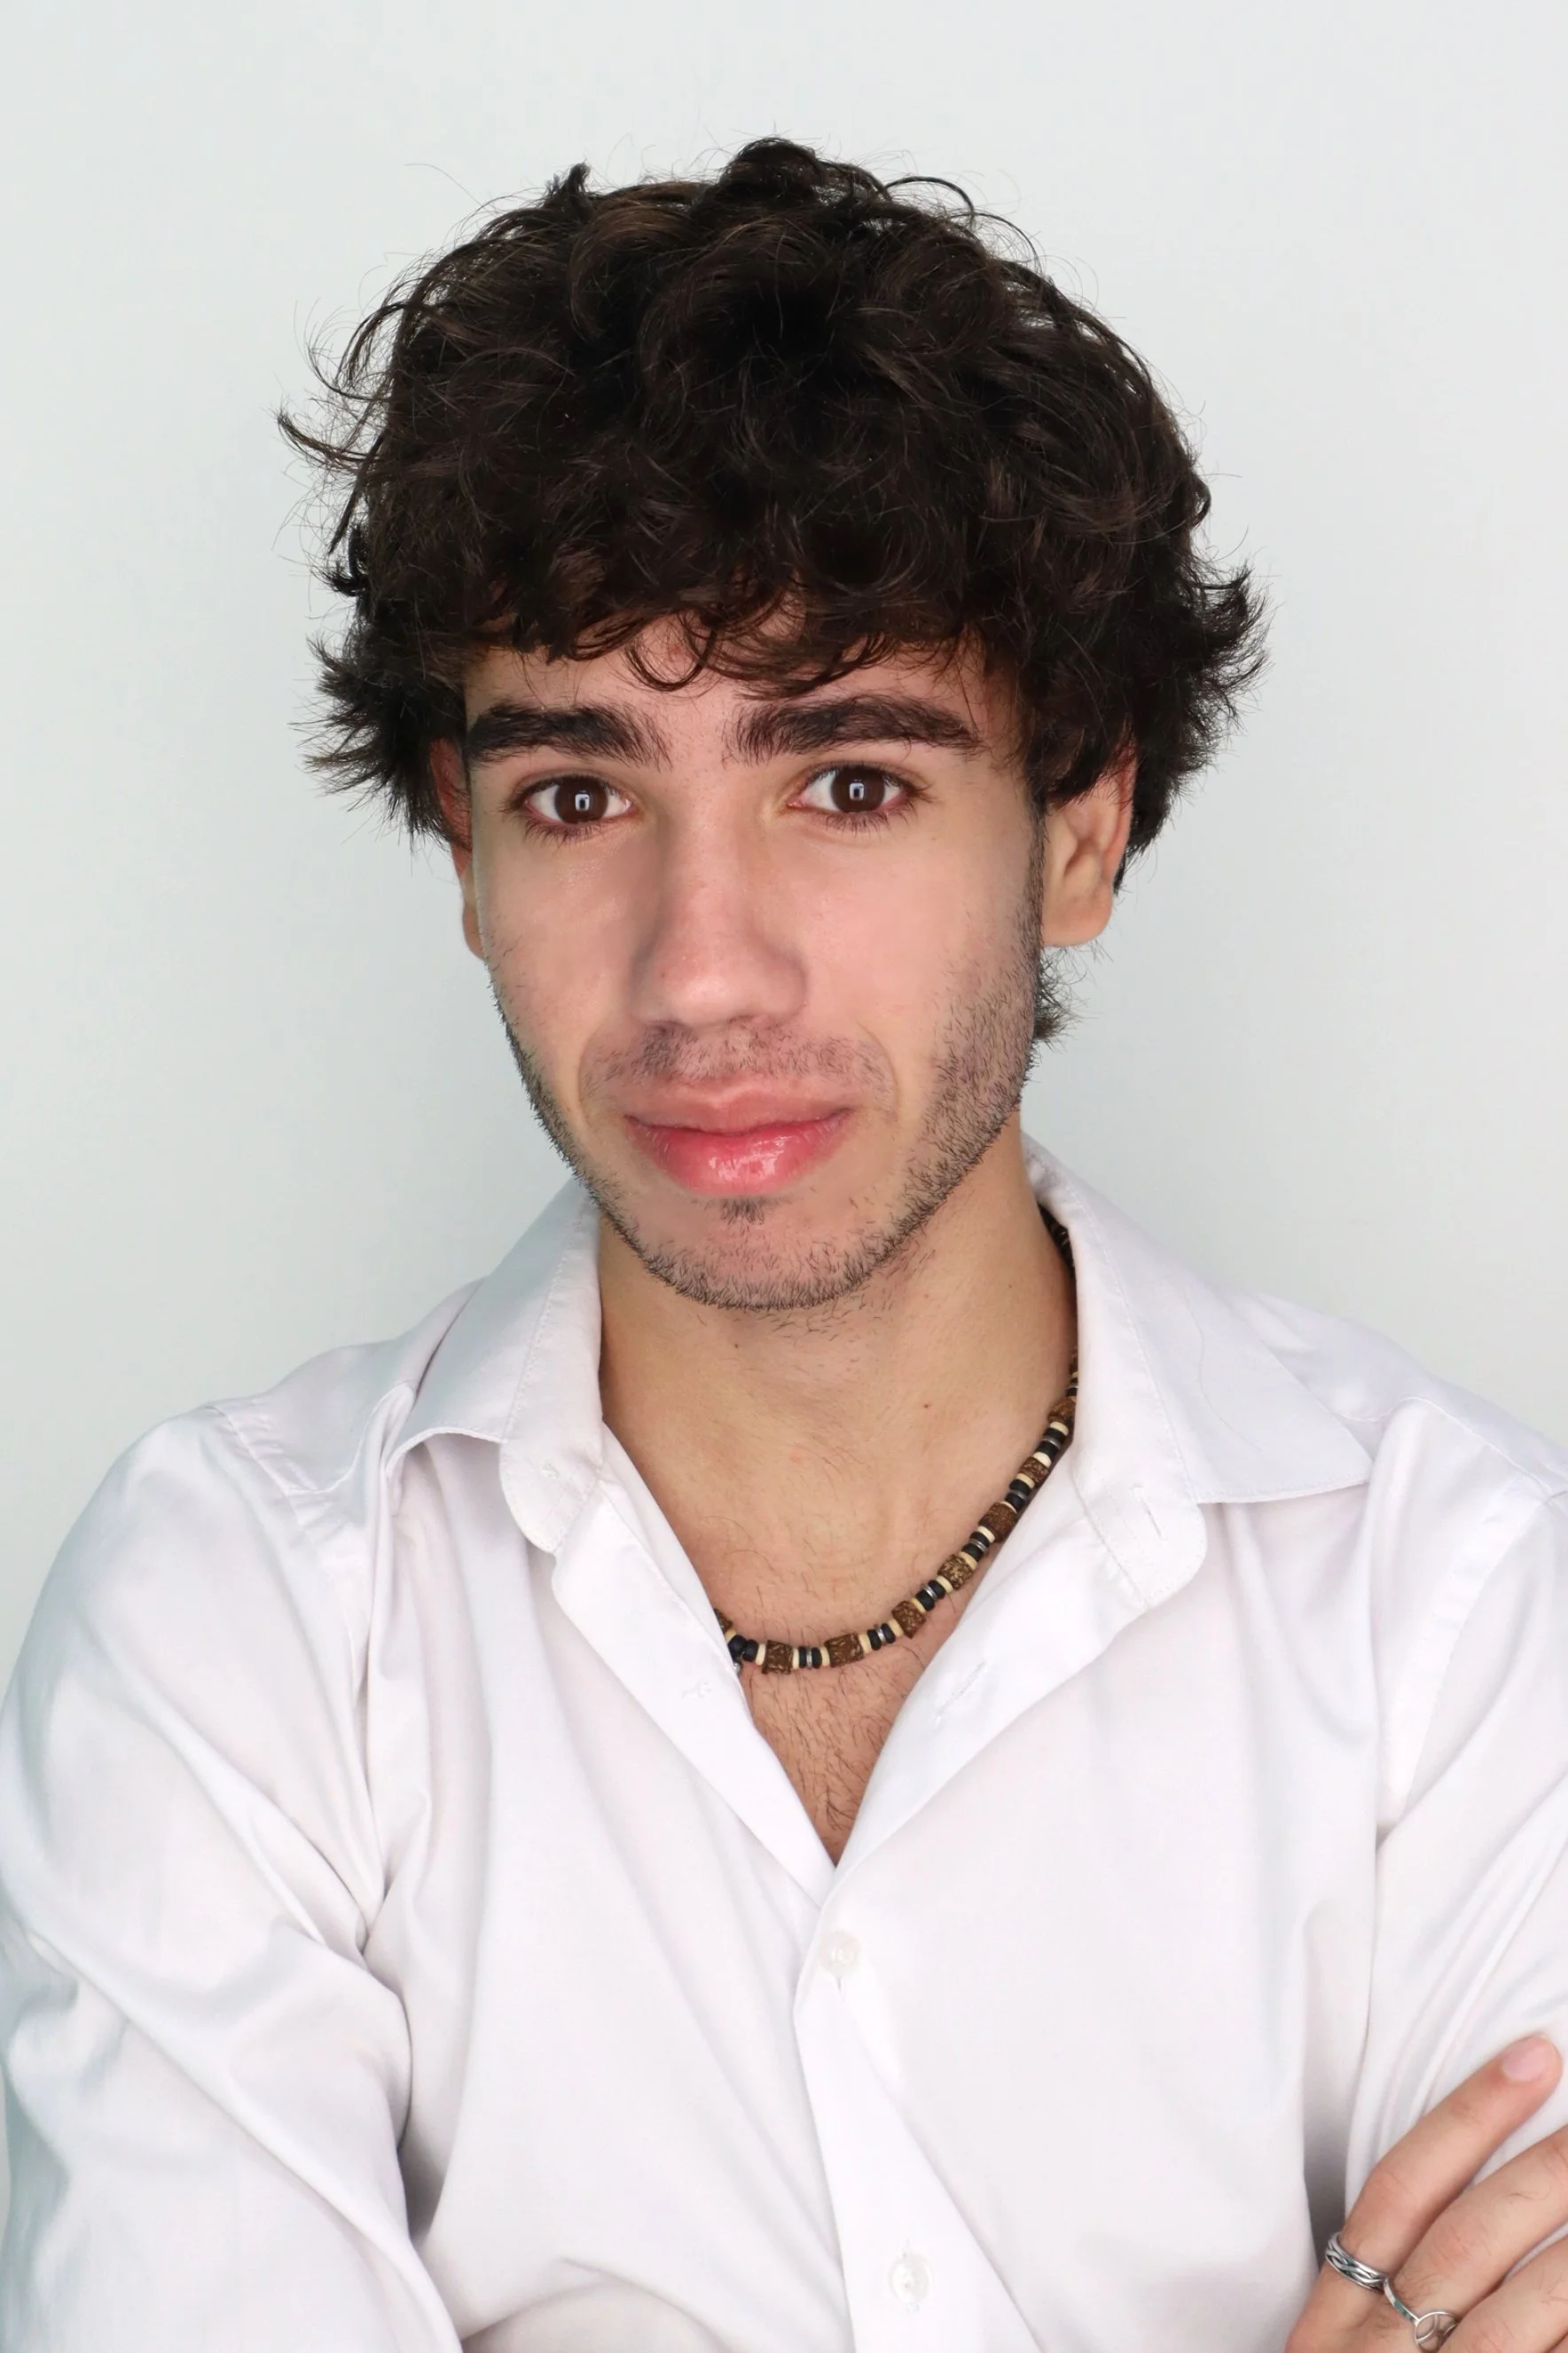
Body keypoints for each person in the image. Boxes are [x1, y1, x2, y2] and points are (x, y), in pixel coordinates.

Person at [1, 139, 1566, 2353]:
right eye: (579, 794)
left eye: (846, 783)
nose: (699, 975)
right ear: (460, 844)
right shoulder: (237, 1628)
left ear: (1085, 828)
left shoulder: (1470, 1625)